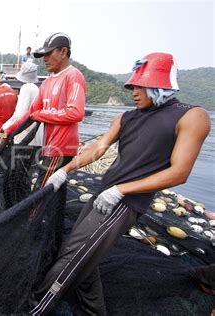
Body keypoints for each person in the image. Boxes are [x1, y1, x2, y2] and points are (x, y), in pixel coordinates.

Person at [30, 52, 211, 315]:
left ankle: (35, 306)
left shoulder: (191, 116)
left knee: (73, 256)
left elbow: (179, 172)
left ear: (159, 85)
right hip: (104, 194)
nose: (134, 92)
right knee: (85, 259)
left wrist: (120, 190)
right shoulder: (126, 117)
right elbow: (99, 148)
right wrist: (65, 170)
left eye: (140, 86)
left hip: (126, 202)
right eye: (132, 86)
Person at [2, 32, 86, 190]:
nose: (44, 59)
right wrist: (9, 130)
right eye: (43, 55)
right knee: (50, 192)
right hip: (48, 147)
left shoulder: (73, 76)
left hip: (61, 148)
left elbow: (76, 113)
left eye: (48, 54)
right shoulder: (47, 82)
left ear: (63, 52)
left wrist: (41, 114)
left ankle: (36, 215)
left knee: (42, 191)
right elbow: (31, 114)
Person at [1, 61, 42, 146]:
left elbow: (19, 114)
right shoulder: (36, 89)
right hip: (36, 135)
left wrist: (4, 128)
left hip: (25, 136)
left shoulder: (26, 88)